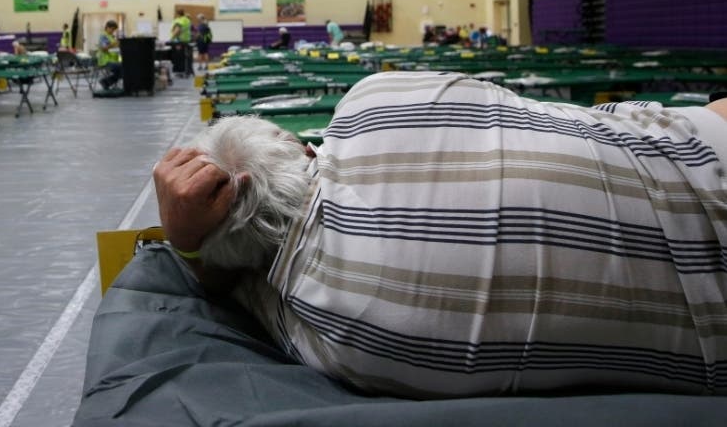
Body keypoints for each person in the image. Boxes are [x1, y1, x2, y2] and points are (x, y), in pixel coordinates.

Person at [153, 71, 727, 398]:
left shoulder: (336, 337)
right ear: (303, 146)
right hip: (699, 150)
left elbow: (232, 284)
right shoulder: (375, 100)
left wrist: (187, 242)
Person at [96, 19, 122, 90]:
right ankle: (105, 81)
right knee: (124, 67)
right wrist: (113, 44)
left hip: (113, 60)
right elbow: (104, 48)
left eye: (114, 30)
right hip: (105, 61)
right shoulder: (103, 36)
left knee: (125, 68)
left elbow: (114, 47)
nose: (113, 31)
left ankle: (106, 82)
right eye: (112, 29)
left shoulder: (111, 36)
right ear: (107, 27)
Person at [170, 9, 193, 76]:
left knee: (179, 57)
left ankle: (180, 72)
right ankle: (187, 71)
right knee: (185, 57)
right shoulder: (187, 19)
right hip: (186, 40)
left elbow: (177, 30)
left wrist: (171, 38)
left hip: (179, 41)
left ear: (177, 14)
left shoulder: (180, 20)